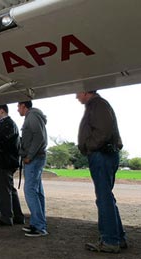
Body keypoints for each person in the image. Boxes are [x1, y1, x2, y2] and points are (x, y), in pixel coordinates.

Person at [76, 90, 126, 253]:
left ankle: (110, 240)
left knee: (103, 198)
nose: (76, 97)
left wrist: (89, 146)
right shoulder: (98, 105)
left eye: (78, 93)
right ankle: (118, 237)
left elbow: (103, 131)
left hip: (101, 155)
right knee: (107, 197)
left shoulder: (98, 105)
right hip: (104, 154)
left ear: (85, 92)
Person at [17, 100, 48, 237]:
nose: (18, 109)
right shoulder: (33, 116)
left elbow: (39, 137)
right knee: (37, 191)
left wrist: (29, 155)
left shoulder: (32, 116)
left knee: (30, 190)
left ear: (24, 106)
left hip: (34, 159)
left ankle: (39, 227)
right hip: (37, 157)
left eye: (18, 106)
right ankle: (38, 224)